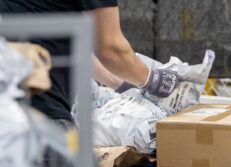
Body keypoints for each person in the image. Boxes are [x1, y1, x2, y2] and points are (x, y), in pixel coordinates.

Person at [0, 0, 180, 128]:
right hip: (38, 117)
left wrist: (120, 84)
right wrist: (152, 80)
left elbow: (72, 47)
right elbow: (111, 50)